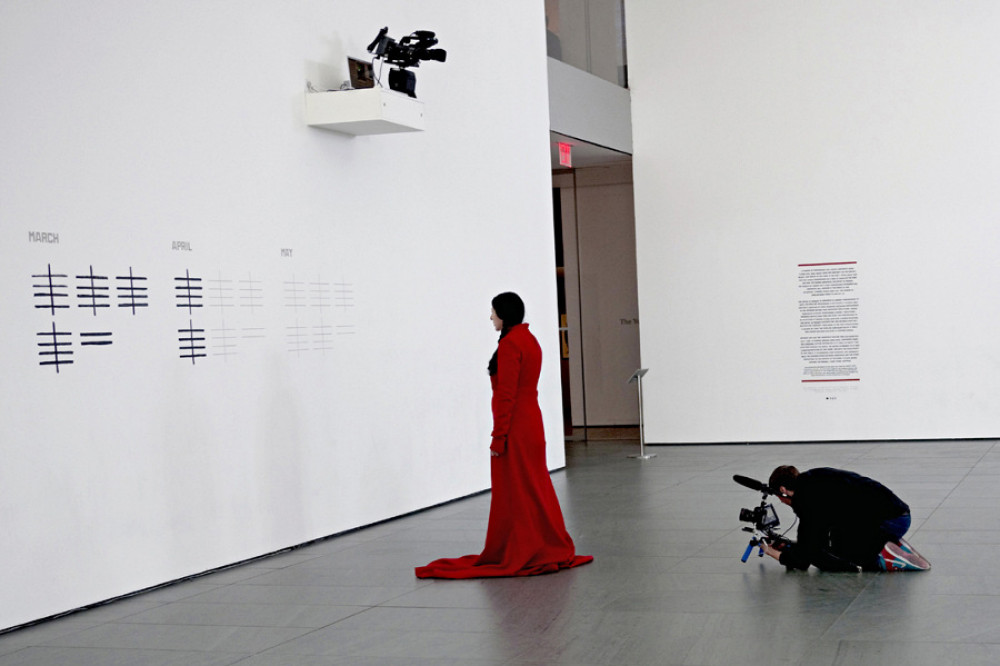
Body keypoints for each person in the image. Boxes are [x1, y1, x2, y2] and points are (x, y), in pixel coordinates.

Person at [415, 292, 593, 578]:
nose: (490, 317)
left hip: (516, 428)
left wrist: (498, 437)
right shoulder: (530, 340)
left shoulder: (511, 344)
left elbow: (506, 396)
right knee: (534, 486)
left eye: (493, 312)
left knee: (516, 491)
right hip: (531, 422)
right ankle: (544, 543)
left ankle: (526, 548)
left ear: (504, 314)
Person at [761, 465, 913, 572]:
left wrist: (771, 552)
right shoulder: (812, 478)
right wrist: (794, 546)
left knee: (832, 556)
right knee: (833, 539)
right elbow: (814, 536)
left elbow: (804, 560)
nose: (781, 501)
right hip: (900, 514)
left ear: (783, 490)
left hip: (890, 522)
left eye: (779, 496)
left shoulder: (806, 502)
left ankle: (883, 558)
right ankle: (886, 543)